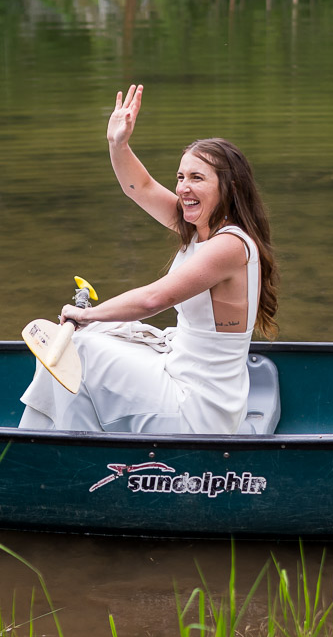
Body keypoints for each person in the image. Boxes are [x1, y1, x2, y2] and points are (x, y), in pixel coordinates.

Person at [18, 84, 279, 434]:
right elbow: (138, 188)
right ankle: (68, 436)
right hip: (179, 370)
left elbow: (156, 298)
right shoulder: (198, 226)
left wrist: (86, 313)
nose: (184, 187)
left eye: (197, 178)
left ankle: (71, 446)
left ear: (229, 188)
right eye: (181, 177)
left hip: (199, 407)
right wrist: (118, 143)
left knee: (77, 344)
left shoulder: (230, 245)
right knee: (86, 337)